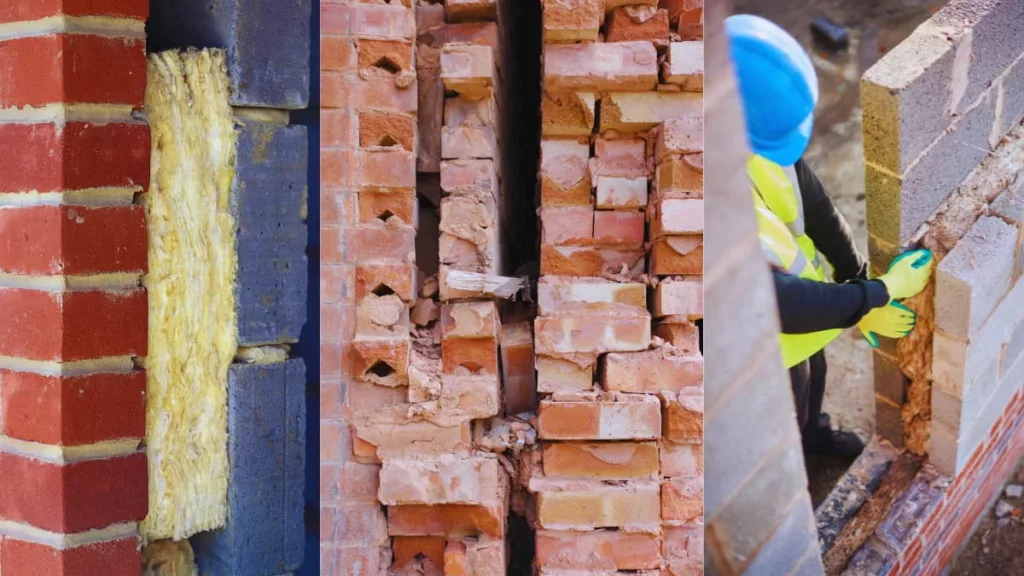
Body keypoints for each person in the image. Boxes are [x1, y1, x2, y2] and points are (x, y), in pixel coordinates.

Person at [724, 15, 934, 458]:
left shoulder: (757, 140)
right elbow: (781, 304)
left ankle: (815, 437)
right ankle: (795, 467)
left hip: (801, 329)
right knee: (782, 419)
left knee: (814, 375)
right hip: (760, 352)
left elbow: (814, 203)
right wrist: (877, 294)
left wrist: (856, 277)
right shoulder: (707, 216)